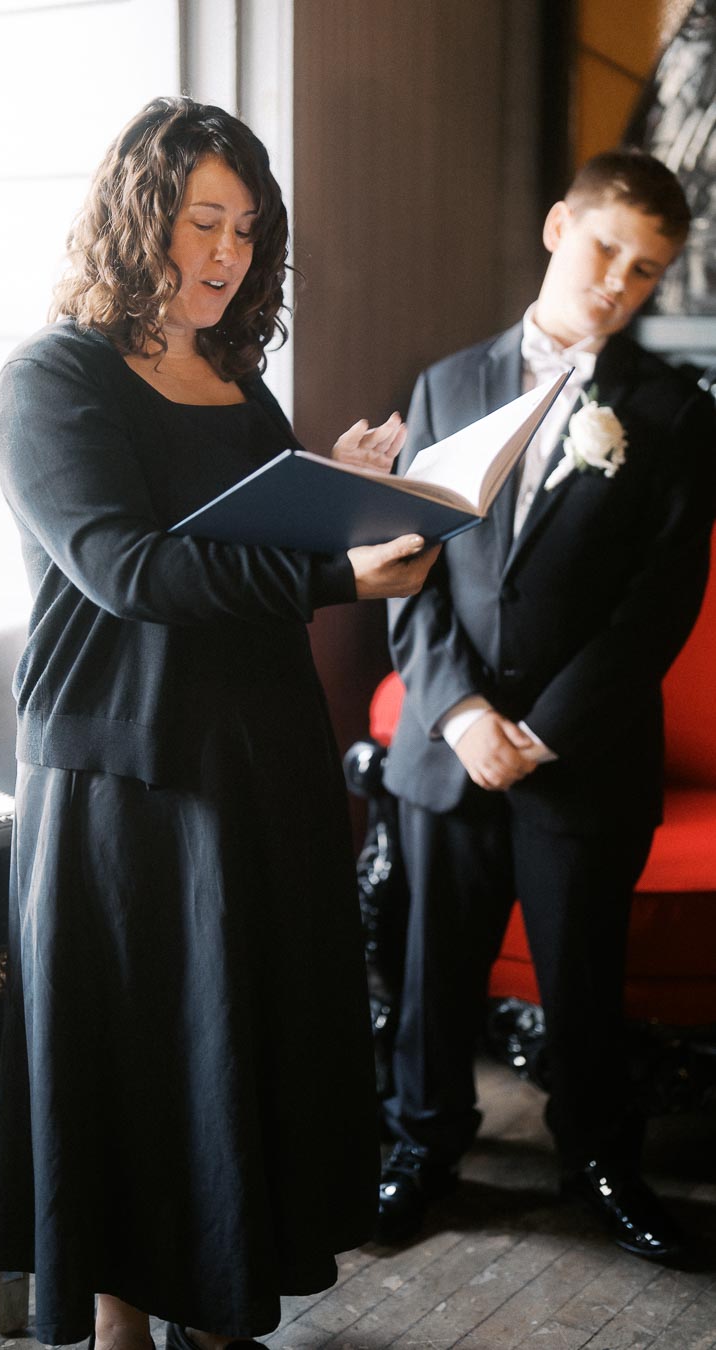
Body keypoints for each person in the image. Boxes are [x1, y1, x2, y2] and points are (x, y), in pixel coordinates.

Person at [0, 96, 438, 1350]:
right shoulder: (52, 377)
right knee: (141, 1065)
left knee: (236, 1053)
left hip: (255, 757)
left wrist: (340, 493)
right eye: (202, 221)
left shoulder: (238, 382)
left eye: (246, 228)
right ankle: (128, 1328)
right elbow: (134, 572)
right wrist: (340, 571)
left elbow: (250, 543)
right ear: (140, 218)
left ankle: (225, 1317)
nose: (227, 253)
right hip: (122, 779)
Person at [377, 148, 716, 1259]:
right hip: (453, 739)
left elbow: (657, 606)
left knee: (583, 974)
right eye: (606, 249)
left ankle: (600, 1161)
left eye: (646, 271)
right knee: (436, 965)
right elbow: (407, 572)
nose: (617, 282)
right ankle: (421, 1149)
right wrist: (462, 713)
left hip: (582, 747)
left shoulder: (671, 414)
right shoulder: (445, 385)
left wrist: (546, 731)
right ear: (559, 225)